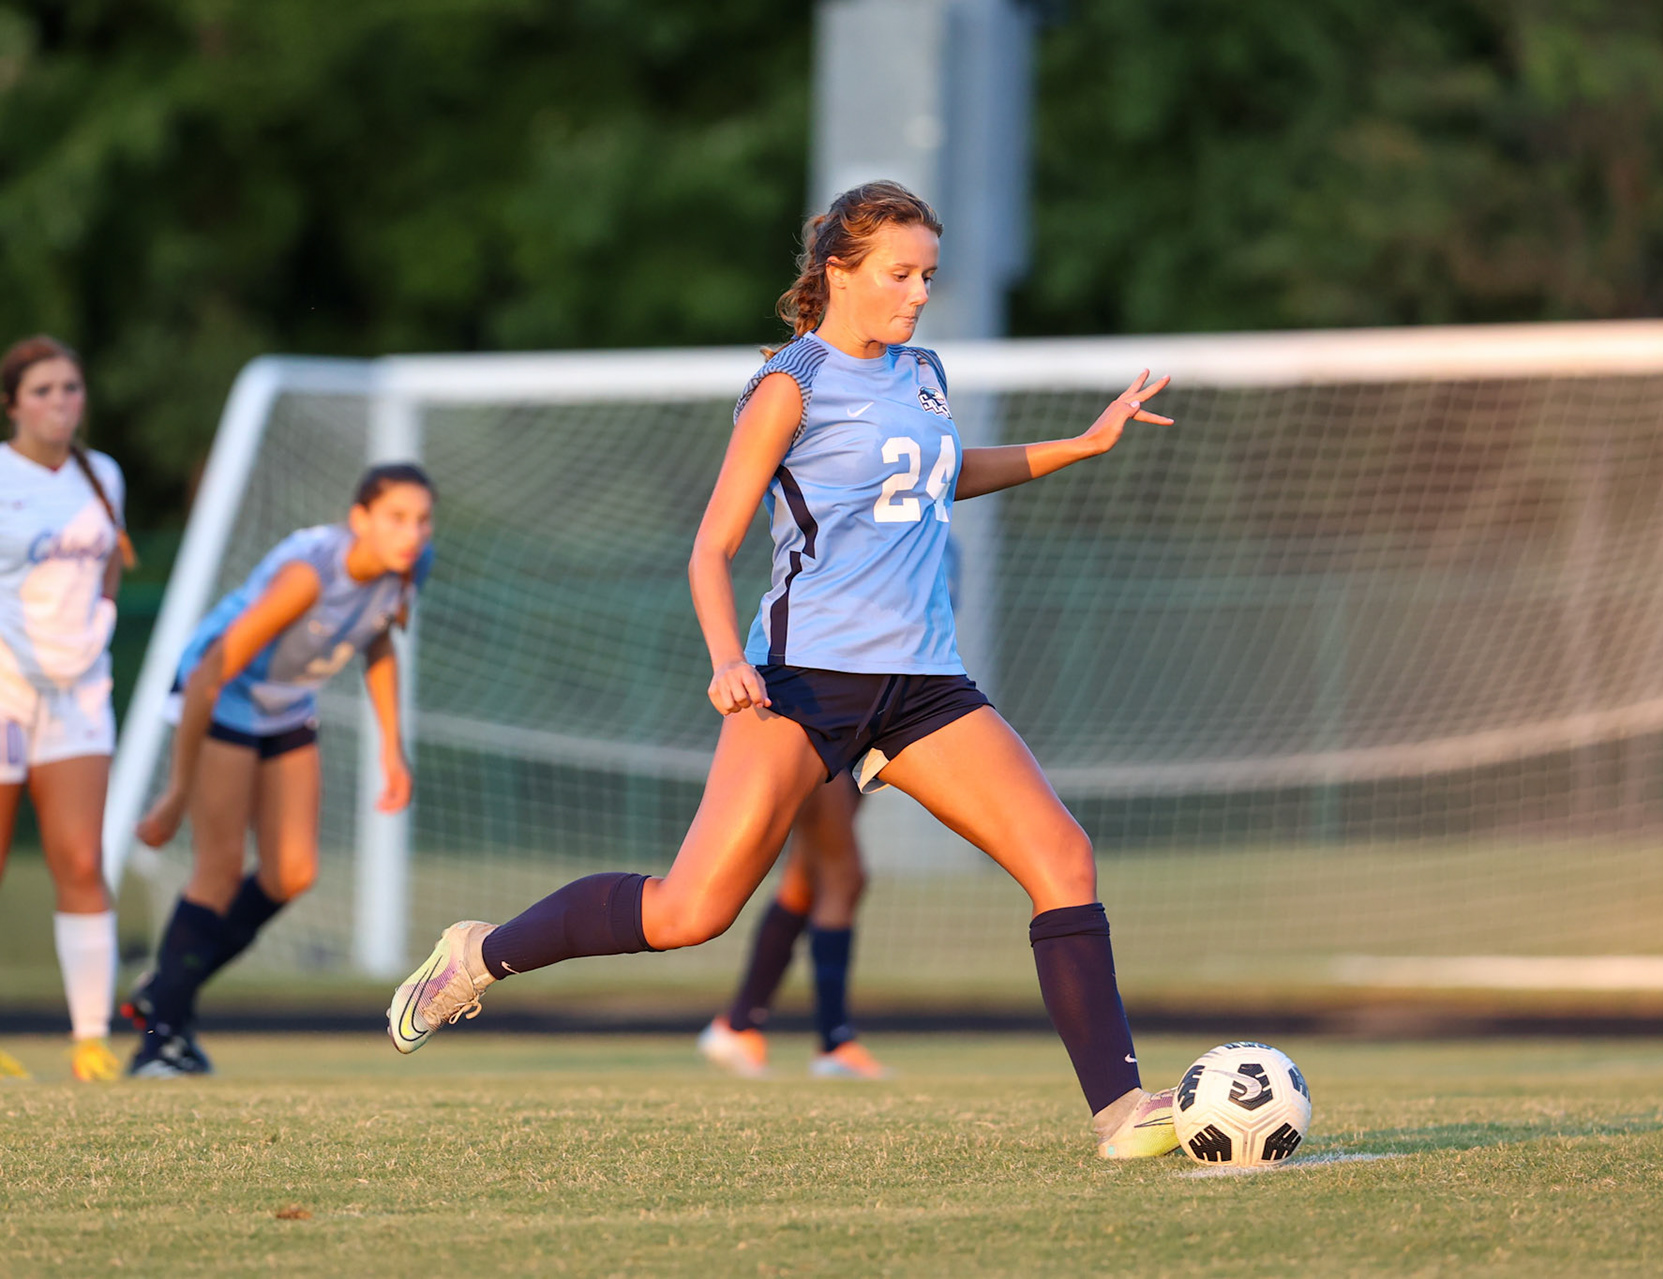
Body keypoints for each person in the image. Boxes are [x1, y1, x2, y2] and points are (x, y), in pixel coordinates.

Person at [387, 181, 1180, 1159]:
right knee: (690, 912)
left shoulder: (922, 370)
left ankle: (1122, 1111)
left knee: (1062, 858)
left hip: (924, 683)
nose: (919, 292)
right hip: (800, 681)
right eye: (901, 273)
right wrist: (728, 659)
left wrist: (1081, 444)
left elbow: (937, 469)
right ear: (840, 270)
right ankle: (480, 953)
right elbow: (709, 547)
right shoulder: (790, 382)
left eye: (929, 274)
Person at [125, 464, 433, 1077]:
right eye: (397, 518)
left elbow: (377, 642)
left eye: (423, 520)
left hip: (287, 705)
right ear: (359, 520)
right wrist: (176, 794)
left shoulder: (409, 568)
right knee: (217, 872)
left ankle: (163, 990)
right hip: (221, 694)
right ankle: (158, 1042)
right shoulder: (306, 577)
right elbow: (212, 670)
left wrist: (392, 751)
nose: (412, 533)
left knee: (292, 873)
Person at [0, 335, 136, 1083]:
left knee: (81, 859)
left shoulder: (103, 473)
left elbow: (112, 556)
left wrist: (105, 617)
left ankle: (90, 1039)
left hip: (81, 693)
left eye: (71, 388)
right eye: (44, 390)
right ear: (12, 401)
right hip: (4, 691)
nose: (60, 403)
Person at [697, 773, 890, 1080]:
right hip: (828, 737)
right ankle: (835, 1042)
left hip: (855, 743)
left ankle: (739, 1025)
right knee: (843, 877)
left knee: (804, 882)